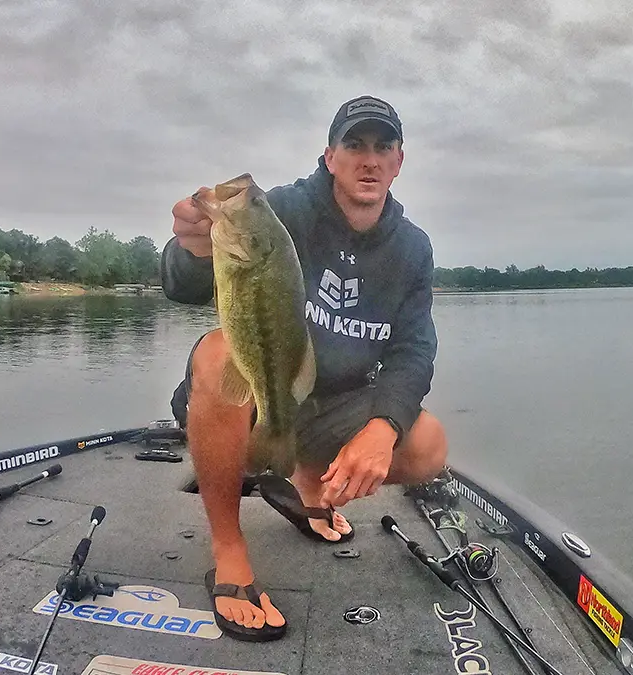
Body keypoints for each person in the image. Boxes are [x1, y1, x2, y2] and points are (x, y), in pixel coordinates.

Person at [161, 95, 448, 641]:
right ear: (329, 156)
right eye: (354, 145)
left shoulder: (412, 248)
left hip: (333, 401)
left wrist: (383, 430)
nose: (369, 160)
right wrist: (191, 246)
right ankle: (229, 550)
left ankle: (306, 482)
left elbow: (414, 352)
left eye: (382, 148)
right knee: (219, 352)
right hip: (252, 399)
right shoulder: (281, 211)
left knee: (427, 444)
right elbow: (183, 285)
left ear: (398, 162)